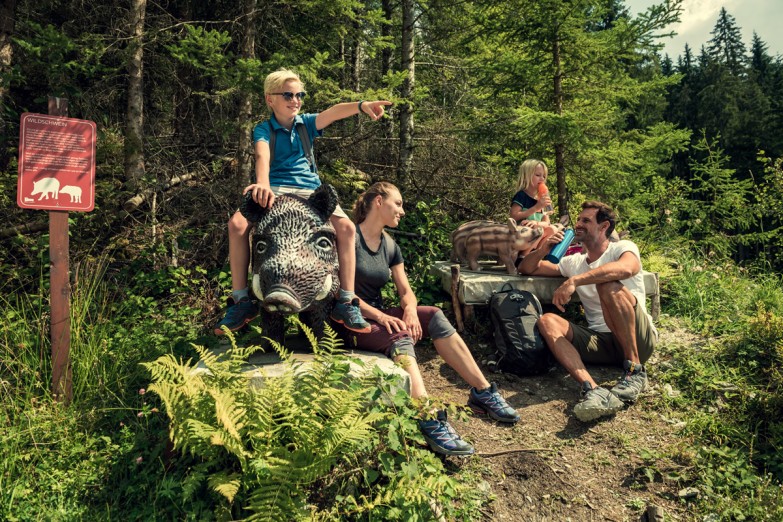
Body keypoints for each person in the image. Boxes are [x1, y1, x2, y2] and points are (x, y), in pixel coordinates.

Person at [339, 182, 520, 456]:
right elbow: (343, 294)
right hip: (350, 321)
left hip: (379, 316)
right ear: (378, 201)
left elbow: (406, 291)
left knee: (434, 315)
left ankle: (482, 391)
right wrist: (381, 317)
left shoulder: (390, 245)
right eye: (397, 203)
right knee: (398, 333)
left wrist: (410, 309)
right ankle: (427, 416)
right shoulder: (350, 238)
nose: (402, 210)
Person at [214, 68, 392, 335]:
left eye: (299, 95)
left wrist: (361, 106)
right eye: (288, 94)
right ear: (269, 99)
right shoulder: (264, 129)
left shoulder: (306, 123)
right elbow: (262, 155)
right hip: (274, 186)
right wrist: (262, 183)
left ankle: (346, 299)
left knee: (346, 229)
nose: (295, 100)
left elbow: (332, 112)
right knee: (237, 226)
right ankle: (241, 299)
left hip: (309, 190)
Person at [517, 201, 657, 422]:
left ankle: (635, 371)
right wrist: (544, 248)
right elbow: (526, 268)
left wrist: (576, 281)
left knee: (607, 283)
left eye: (586, 220)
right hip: (601, 341)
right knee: (547, 321)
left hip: (638, 339)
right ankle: (592, 389)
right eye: (579, 219)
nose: (578, 224)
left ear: (604, 227)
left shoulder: (622, 248)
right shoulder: (575, 262)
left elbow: (628, 268)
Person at [510, 159, 552, 225]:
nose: (542, 179)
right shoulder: (521, 195)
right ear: (525, 177)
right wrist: (536, 207)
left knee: (554, 228)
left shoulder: (540, 198)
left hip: (537, 229)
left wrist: (537, 223)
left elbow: (546, 222)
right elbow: (513, 216)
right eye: (538, 175)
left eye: (544, 176)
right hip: (523, 230)